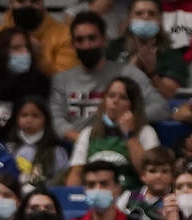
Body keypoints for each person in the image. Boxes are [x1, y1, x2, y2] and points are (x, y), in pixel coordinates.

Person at [51, 12, 167, 143]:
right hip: (77, 147)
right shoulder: (61, 80)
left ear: (104, 39)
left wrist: (126, 121)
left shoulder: (129, 73)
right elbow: (56, 119)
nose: (87, 45)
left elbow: (160, 107)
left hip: (121, 146)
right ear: (72, 44)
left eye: (92, 38)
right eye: (80, 40)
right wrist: (83, 142)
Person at [67, 79, 161, 187]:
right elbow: (76, 174)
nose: (115, 101)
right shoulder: (88, 133)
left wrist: (130, 134)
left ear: (133, 104)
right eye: (111, 96)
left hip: (132, 197)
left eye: (123, 98)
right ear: (104, 100)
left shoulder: (145, 132)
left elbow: (148, 173)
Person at [0, 28, 53, 126]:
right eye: (17, 48)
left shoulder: (41, 81)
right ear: (1, 51)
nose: (25, 52)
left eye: (28, 48)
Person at [108, 0, 187, 102]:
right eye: (139, 13)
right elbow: (103, 87)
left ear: (160, 19)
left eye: (151, 14)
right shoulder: (114, 48)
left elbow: (170, 94)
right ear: (129, 18)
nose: (145, 17)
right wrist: (131, 70)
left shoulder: (172, 55)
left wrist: (152, 73)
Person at [6, 96, 70, 187]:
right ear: (16, 119)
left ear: (45, 120)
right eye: (24, 115)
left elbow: (61, 180)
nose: (29, 120)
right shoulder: (9, 149)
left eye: (35, 116)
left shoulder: (57, 152)